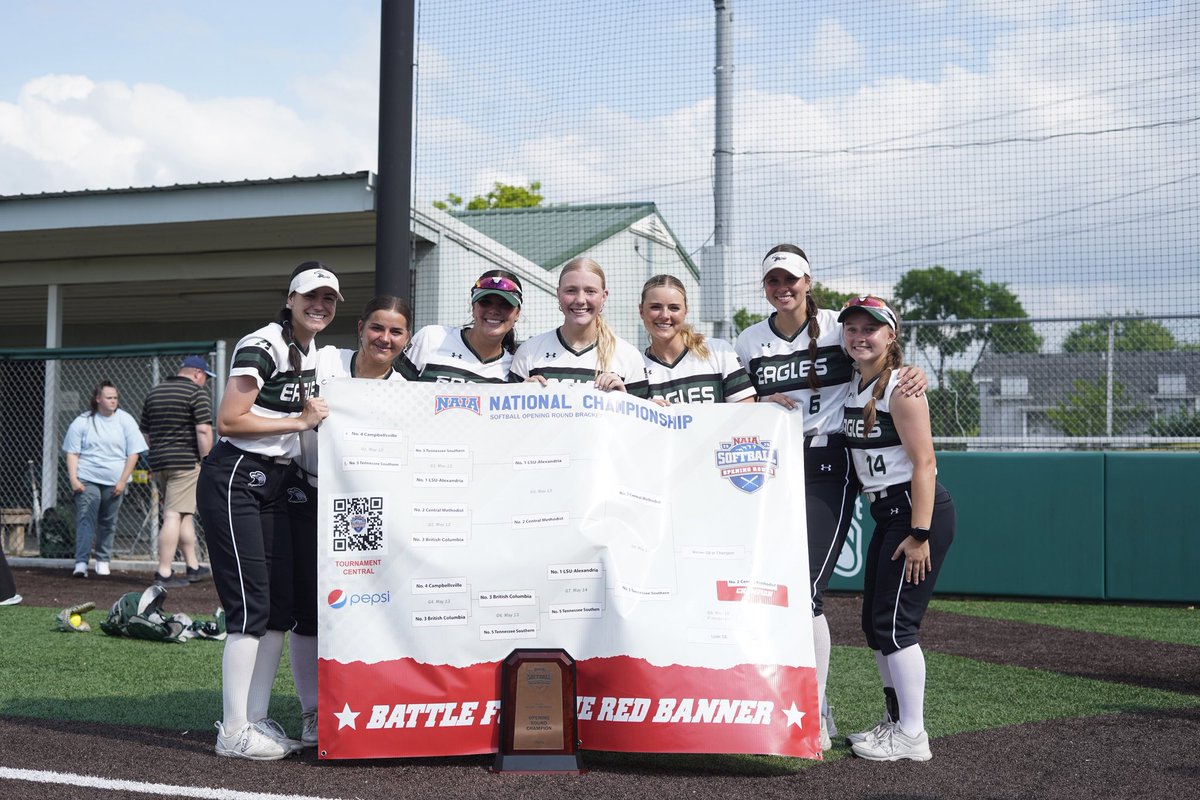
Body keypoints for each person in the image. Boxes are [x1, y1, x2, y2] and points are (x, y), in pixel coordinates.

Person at [734, 244, 926, 751]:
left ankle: (815, 710)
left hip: (827, 462)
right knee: (770, 586)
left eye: (791, 279)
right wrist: (753, 399)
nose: (783, 288)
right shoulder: (750, 340)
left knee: (803, 590)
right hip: (770, 466)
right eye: (773, 281)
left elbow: (883, 352)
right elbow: (732, 393)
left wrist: (916, 371)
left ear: (808, 280)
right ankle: (797, 705)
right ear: (765, 286)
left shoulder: (842, 329)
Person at [196, 261, 340, 761]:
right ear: (290, 298)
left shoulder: (315, 352)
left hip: (275, 482)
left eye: (328, 299)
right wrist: (300, 420)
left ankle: (254, 719)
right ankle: (233, 728)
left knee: (277, 609)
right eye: (310, 297)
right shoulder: (264, 343)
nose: (318, 306)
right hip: (237, 476)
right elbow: (230, 419)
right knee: (250, 608)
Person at [287, 294, 412, 749]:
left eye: (396, 331)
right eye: (377, 327)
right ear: (361, 327)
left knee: (361, 603)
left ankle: (361, 700)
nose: (385, 338)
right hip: (308, 491)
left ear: (406, 339)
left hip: (362, 510)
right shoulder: (324, 362)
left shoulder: (406, 389)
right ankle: (311, 711)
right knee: (307, 610)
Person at [838, 295, 955, 762]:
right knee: (875, 625)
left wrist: (920, 534)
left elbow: (926, 464)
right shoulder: (855, 382)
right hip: (888, 514)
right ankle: (895, 723)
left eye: (871, 329)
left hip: (914, 513)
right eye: (852, 329)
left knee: (896, 626)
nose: (859, 336)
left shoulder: (901, 388)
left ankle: (913, 735)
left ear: (891, 336)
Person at [509, 257, 648, 396]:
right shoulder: (529, 351)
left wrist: (623, 399)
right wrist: (521, 397)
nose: (580, 300)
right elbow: (508, 414)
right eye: (571, 290)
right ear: (558, 294)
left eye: (590, 291)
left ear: (604, 296)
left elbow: (640, 416)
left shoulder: (628, 356)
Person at [140, 355, 216, 588]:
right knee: (174, 514)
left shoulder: (155, 392)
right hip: (186, 462)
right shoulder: (196, 393)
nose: (205, 382)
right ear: (197, 373)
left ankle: (193, 566)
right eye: (205, 378)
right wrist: (207, 461)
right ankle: (164, 572)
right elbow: (203, 430)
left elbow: (145, 433)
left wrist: (160, 451)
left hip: (160, 462)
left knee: (184, 513)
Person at [62, 381, 148, 578]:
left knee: (108, 522)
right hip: (87, 479)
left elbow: (134, 453)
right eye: (109, 397)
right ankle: (81, 563)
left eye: (115, 397)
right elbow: (73, 453)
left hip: (115, 481)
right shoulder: (82, 421)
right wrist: (74, 479)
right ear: (98, 399)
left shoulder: (125, 420)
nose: (113, 401)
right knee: (86, 519)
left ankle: (102, 560)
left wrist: (122, 481)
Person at [639, 274, 755, 404]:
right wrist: (647, 412)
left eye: (674, 308)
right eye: (655, 307)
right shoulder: (636, 369)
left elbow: (745, 412)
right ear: (641, 311)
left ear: (685, 311)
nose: (665, 315)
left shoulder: (718, 351)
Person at [399, 270, 522, 383]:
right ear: (473, 307)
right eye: (485, 302)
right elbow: (392, 390)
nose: (494, 311)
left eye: (505, 304)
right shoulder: (431, 338)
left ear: (517, 314)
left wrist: (533, 389)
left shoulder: (514, 369)